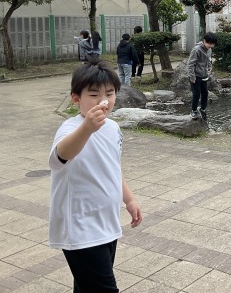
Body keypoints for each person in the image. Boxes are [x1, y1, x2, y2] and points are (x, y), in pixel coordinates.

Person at [48, 57, 142, 292]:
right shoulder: (71, 128)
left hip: (106, 223)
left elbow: (113, 167)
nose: (103, 101)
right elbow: (60, 157)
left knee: (86, 288)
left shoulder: (113, 127)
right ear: (76, 98)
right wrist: (87, 129)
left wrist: (129, 199)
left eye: (109, 94)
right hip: (80, 228)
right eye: (93, 95)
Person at [187, 32, 217, 121]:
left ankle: (203, 109)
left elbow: (209, 60)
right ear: (204, 41)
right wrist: (192, 77)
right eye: (209, 43)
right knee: (196, 93)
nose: (210, 46)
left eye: (212, 44)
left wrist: (209, 68)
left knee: (205, 93)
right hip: (196, 75)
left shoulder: (209, 49)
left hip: (204, 75)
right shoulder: (197, 50)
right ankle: (193, 110)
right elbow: (191, 64)